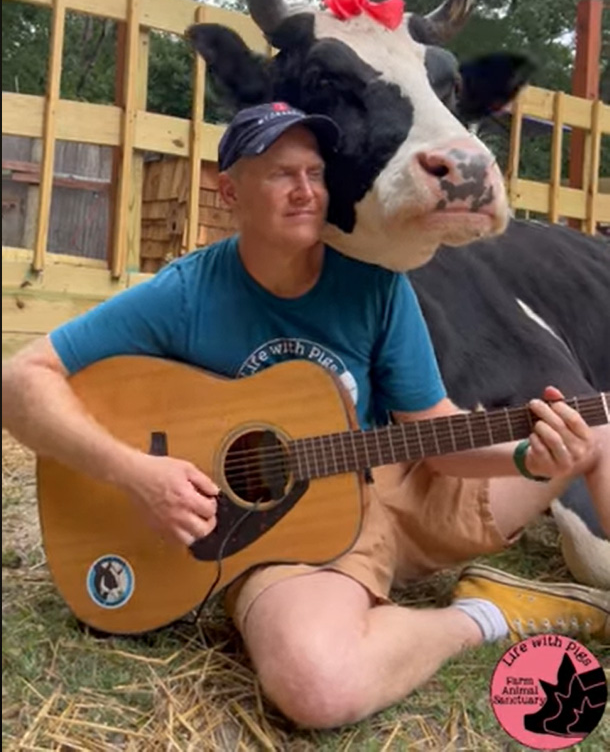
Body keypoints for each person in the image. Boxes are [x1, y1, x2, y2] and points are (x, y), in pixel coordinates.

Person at [3, 102, 609, 731]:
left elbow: (435, 432)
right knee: (318, 686)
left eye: (315, 174)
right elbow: (22, 380)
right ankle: (487, 615)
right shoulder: (186, 293)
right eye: (279, 174)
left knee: (595, 425)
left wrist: (522, 456)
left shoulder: (375, 286)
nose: (304, 191)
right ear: (230, 191)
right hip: (285, 536)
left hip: (400, 487)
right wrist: (136, 474)